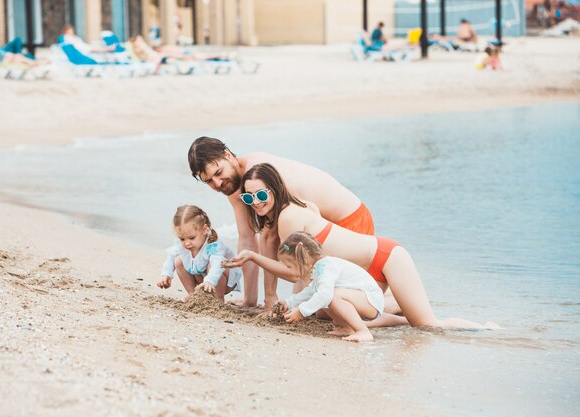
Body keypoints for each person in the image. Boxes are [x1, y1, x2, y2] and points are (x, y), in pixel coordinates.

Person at [227, 163, 498, 330]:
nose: (256, 202)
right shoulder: (296, 207)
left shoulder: (288, 217)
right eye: (249, 198)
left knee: (429, 327)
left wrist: (252, 256)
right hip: (367, 271)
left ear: (275, 190)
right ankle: (398, 311)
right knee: (326, 314)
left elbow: (295, 274)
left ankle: (485, 329)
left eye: (262, 194)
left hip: (387, 257)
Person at [187, 137, 377, 313]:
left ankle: (390, 302)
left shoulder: (256, 173)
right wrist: (250, 299)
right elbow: (247, 238)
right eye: (209, 181)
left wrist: (272, 299)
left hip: (351, 224)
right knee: (316, 304)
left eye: (218, 173)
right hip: (318, 234)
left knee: (322, 309)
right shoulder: (233, 185)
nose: (218, 183)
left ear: (228, 155)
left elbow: (271, 237)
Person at [273, 232, 408, 342]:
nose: (288, 270)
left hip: (370, 300)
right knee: (323, 295)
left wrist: (302, 311)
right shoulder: (319, 269)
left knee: (329, 295)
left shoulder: (327, 266)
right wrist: (289, 302)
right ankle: (347, 328)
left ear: (303, 261)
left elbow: (324, 295)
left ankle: (363, 332)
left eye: (289, 266)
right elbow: (311, 292)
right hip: (362, 301)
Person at [157, 205, 241, 302]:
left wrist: (210, 281)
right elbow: (171, 256)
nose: (187, 243)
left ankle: (218, 299)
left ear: (204, 230)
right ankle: (193, 295)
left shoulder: (213, 245)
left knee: (215, 263)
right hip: (203, 278)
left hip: (222, 280)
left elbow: (218, 265)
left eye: (192, 238)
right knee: (178, 260)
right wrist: (166, 275)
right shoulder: (183, 245)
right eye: (182, 239)